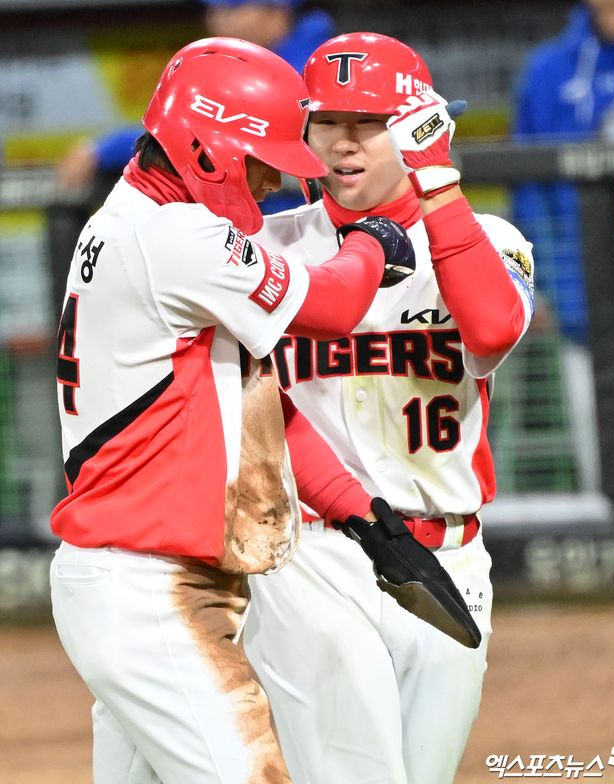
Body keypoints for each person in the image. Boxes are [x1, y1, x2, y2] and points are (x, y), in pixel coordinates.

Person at [49, 37, 417, 784]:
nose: (274, 182)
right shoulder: (173, 234)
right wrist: (377, 242)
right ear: (208, 147)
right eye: (258, 161)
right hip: (148, 593)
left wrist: (358, 512)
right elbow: (336, 302)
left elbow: (256, 402)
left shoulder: (130, 218)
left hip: (137, 580)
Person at [242, 32, 535, 784]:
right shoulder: (264, 246)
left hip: (450, 556)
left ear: (415, 126)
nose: (344, 142)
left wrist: (438, 185)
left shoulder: (487, 240)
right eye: (327, 120)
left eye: (369, 122)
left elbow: (494, 329)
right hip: (312, 555)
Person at [512, 0, 614, 489]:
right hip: (581, 290)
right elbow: (528, 191)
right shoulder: (548, 69)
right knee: (600, 459)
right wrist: (538, 280)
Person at [57, 0, 334, 215]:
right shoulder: (238, 63)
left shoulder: (316, 64)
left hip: (310, 224)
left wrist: (105, 149)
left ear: (278, 11)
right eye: (214, 9)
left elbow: (199, 130)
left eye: (234, 9)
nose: (218, 20)